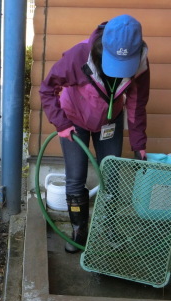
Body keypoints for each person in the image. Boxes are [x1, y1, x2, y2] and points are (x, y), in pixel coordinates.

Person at [39, 14, 150, 253]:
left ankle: (109, 227)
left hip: (110, 122)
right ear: (103, 48)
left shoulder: (141, 64)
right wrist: (61, 123)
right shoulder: (79, 56)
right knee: (76, 177)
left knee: (111, 176)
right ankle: (79, 231)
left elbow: (136, 104)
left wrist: (139, 143)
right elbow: (47, 89)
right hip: (73, 121)